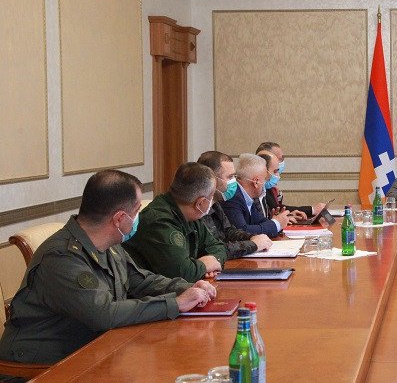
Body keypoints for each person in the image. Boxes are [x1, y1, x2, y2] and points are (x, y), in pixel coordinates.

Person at [0, 170, 216, 365]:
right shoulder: (62, 256)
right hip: (39, 366)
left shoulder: (108, 245)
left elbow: (140, 281)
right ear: (119, 218)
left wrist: (186, 287)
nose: (138, 218)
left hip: (90, 352)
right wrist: (175, 304)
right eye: (137, 211)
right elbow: (103, 314)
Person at [123, 163, 227, 282]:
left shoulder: (192, 216)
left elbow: (219, 247)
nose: (212, 200)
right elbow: (181, 273)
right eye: (212, 196)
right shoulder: (158, 221)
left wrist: (213, 261)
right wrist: (204, 266)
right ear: (200, 203)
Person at [196, 151, 273, 259]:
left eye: (234, 176)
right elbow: (214, 250)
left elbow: (229, 231)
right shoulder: (198, 208)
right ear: (212, 179)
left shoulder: (216, 203)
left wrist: (252, 237)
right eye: (230, 177)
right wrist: (253, 244)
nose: (234, 181)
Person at [221, 153, 295, 238]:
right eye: (265, 179)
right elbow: (241, 231)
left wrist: (277, 222)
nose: (265, 184)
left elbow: (260, 221)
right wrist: (276, 224)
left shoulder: (247, 196)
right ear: (256, 182)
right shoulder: (233, 197)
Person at [256, 141, 324, 218]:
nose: (281, 162)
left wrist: (288, 215)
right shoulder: (259, 187)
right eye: (279, 159)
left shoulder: (270, 184)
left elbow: (275, 212)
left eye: (282, 159)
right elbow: (274, 208)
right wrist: (312, 210)